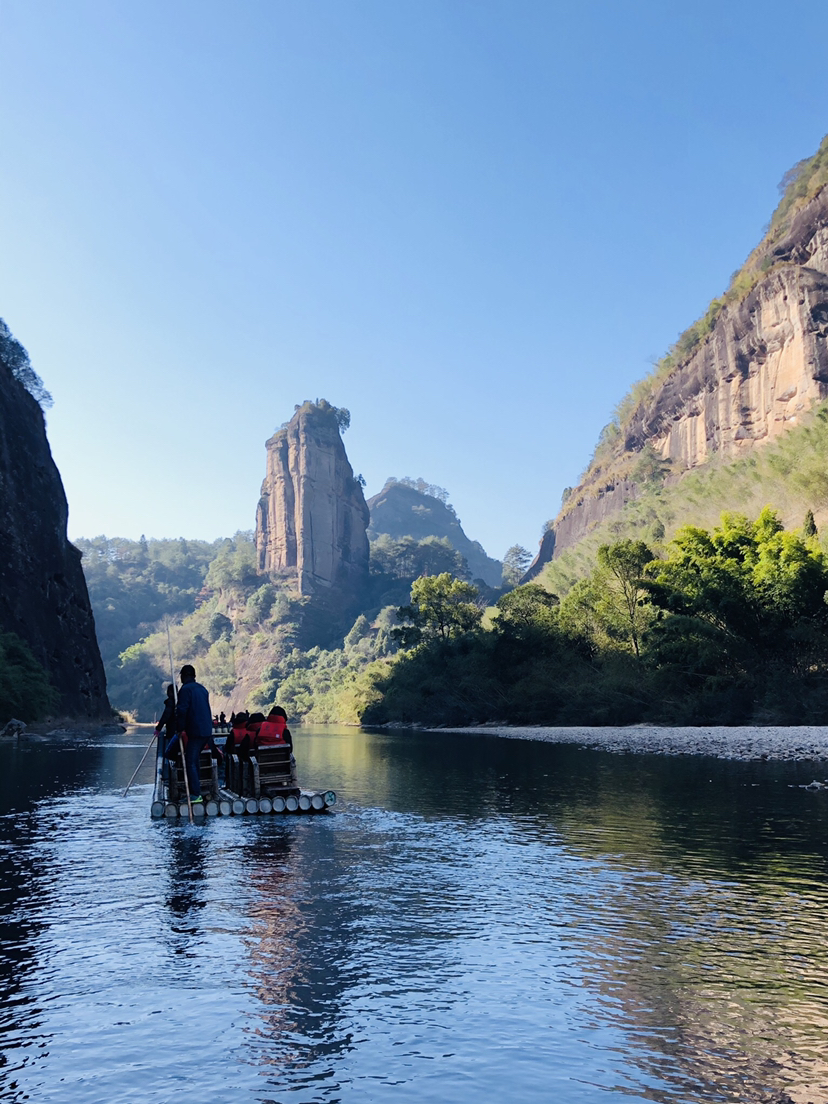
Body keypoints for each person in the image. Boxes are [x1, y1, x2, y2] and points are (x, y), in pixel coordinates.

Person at [175, 664, 214, 805]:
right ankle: (195, 790)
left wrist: (179, 728)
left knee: (190, 762)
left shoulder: (185, 690)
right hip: (206, 731)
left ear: (184, 676)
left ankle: (195, 794)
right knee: (194, 760)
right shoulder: (202, 689)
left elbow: (182, 710)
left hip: (196, 731)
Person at [155, 685, 176, 758]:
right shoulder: (180, 702)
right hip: (178, 730)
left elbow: (166, 715)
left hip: (172, 731)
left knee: (169, 752)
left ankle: (170, 764)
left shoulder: (171, 702)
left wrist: (158, 728)